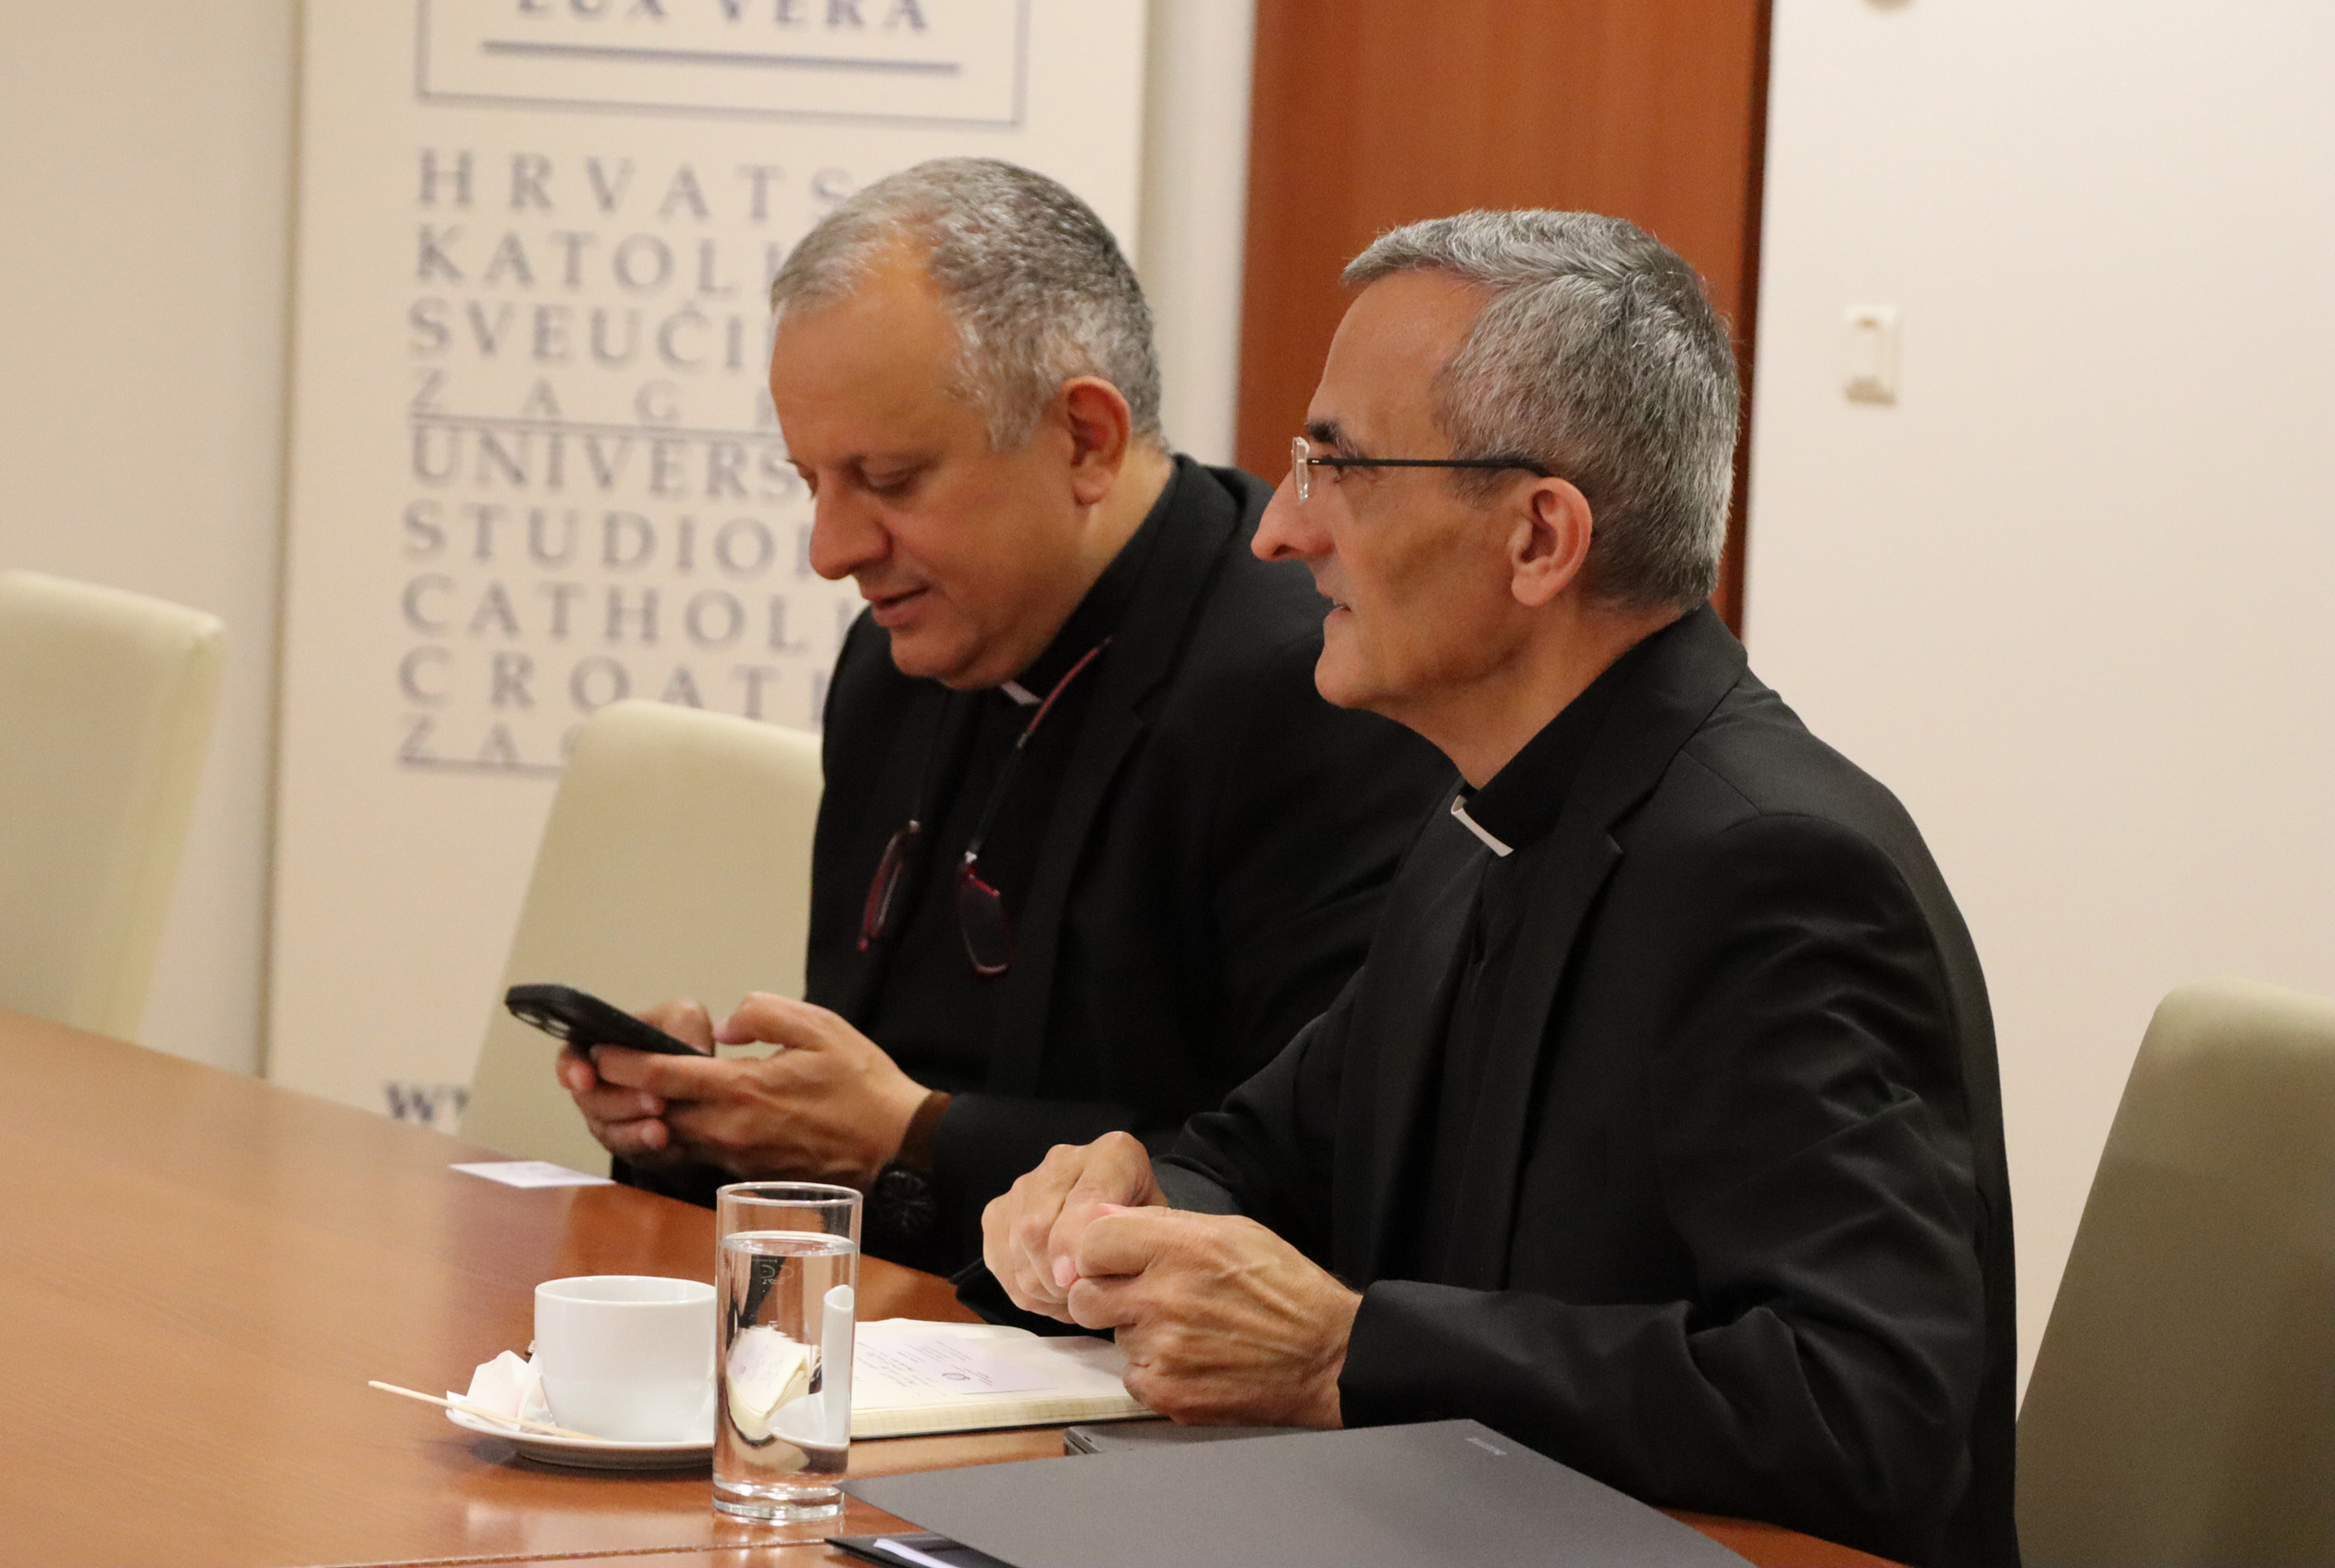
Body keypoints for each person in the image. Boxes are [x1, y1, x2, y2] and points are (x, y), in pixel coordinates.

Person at [975, 210, 2017, 1568]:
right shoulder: (1485, 815)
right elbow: (1260, 1155)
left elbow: (1868, 1411)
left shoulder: (1774, 869)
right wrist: (1119, 1209)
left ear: (1537, 537)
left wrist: (1348, 1352)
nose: (1281, 528)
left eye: (1338, 465)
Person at [552, 157, 1453, 1274]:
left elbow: (1319, 1180)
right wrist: (713, 1121)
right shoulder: (897, 664)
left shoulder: (1313, 688)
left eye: (888, 479)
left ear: (1085, 439)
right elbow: (861, 1129)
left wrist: (911, 1133)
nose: (831, 550)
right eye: (810, 482)